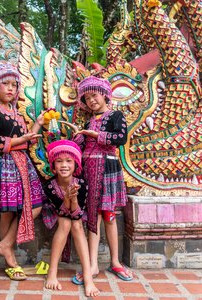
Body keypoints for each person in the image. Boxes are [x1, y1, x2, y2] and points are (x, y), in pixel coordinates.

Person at [0, 63, 45, 281]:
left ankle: (6, 245)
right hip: (3, 163)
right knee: (6, 211)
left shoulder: (15, 113)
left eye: (14, 85)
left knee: (34, 206)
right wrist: (21, 140)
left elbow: (25, 140)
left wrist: (37, 125)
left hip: (21, 163)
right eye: (5, 84)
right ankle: (10, 260)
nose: (10, 89)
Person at [72, 75, 133, 282]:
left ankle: (115, 262)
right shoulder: (88, 121)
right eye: (87, 98)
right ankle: (93, 265)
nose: (91, 101)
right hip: (89, 170)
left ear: (105, 96)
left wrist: (96, 135)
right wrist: (78, 137)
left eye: (94, 95)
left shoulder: (116, 115)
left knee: (109, 215)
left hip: (107, 167)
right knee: (92, 217)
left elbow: (120, 138)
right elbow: (81, 147)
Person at [42, 140, 100, 297]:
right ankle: (52, 272)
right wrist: (66, 197)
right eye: (59, 161)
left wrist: (72, 199)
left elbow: (77, 214)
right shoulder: (49, 186)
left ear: (76, 165)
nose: (64, 165)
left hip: (76, 214)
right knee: (65, 224)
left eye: (69, 161)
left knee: (76, 225)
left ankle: (88, 277)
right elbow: (61, 211)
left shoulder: (81, 184)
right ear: (53, 166)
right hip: (57, 213)